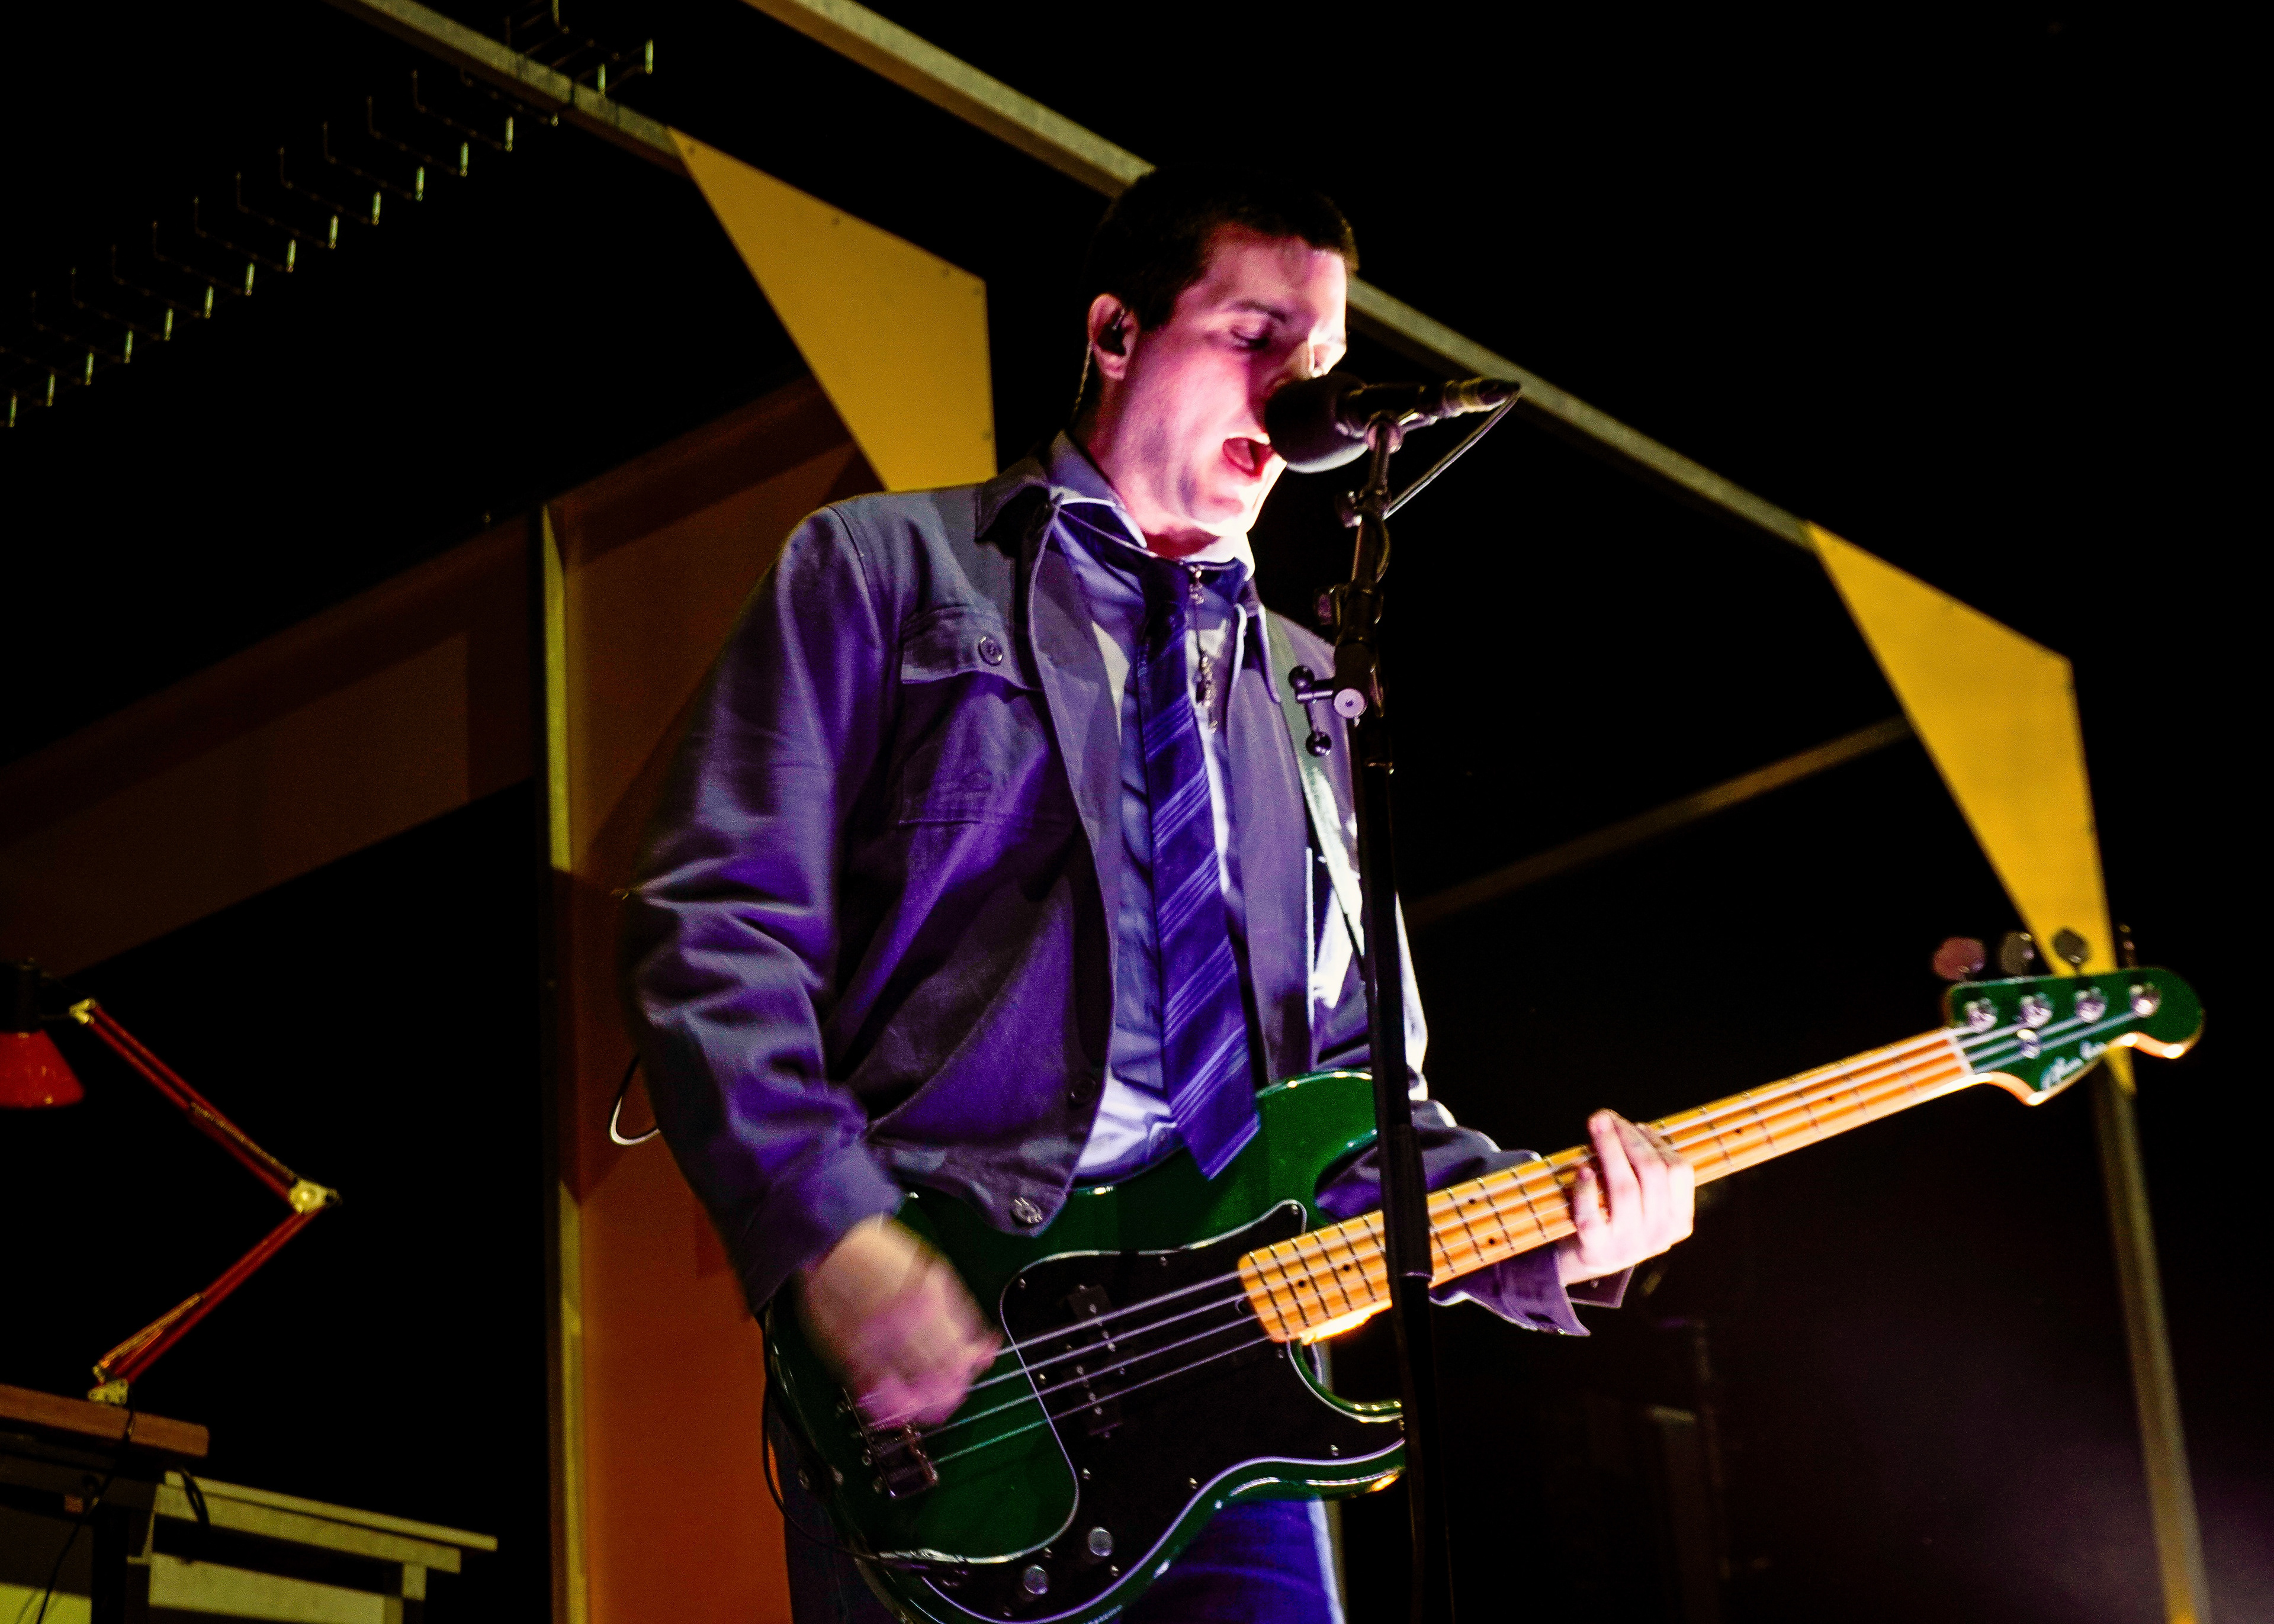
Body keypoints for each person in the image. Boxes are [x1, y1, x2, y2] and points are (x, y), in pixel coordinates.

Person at [621, 165, 1695, 1624]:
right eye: (1257, 337)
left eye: (1324, 361)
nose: (1304, 397)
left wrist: (1558, 1235)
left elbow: (1358, 1105)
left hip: (1229, 1380)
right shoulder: (884, 570)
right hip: (956, 1364)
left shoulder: (1315, 691)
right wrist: (830, 1230)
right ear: (1117, 332)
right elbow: (713, 930)